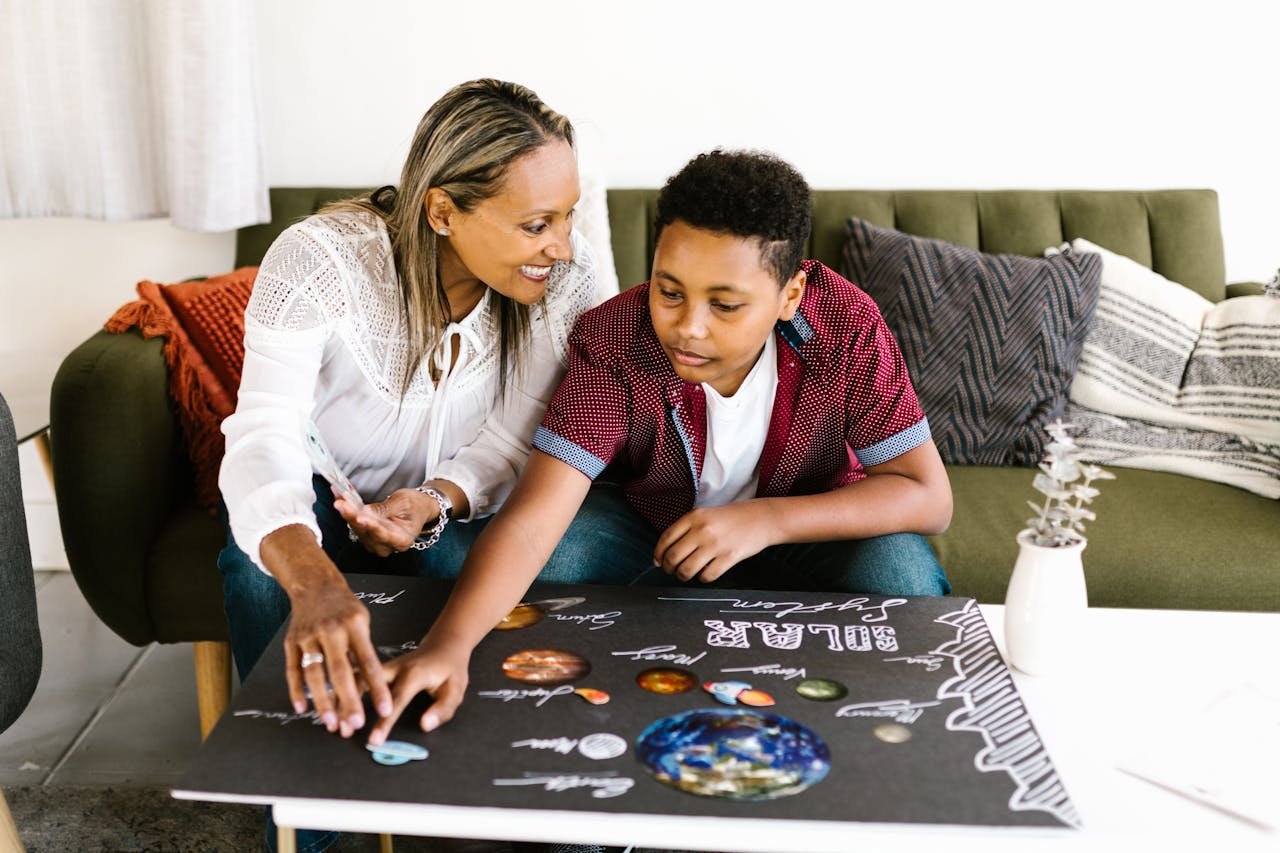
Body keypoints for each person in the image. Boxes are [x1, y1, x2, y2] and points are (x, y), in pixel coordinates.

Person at [365, 149, 954, 746]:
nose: (689, 326)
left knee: (899, 571)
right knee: (520, 562)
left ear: (791, 295)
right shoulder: (614, 339)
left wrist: (764, 521)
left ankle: (877, 754)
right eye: (669, 292)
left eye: (725, 305)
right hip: (653, 531)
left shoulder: (845, 325)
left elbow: (928, 497)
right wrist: (447, 646)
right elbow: (532, 520)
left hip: (803, 532)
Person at [216, 78, 607, 852]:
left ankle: (486, 795)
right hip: (319, 493)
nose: (561, 246)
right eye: (536, 224)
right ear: (441, 211)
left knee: (529, 553)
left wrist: (432, 499)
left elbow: (513, 441)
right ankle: (306, 823)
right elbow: (263, 431)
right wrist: (316, 579)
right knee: (259, 568)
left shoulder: (566, 278)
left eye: (567, 215)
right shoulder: (320, 258)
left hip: (451, 509)